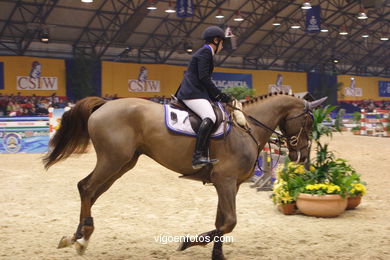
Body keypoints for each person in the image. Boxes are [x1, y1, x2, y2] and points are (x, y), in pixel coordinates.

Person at [175, 26, 232, 169]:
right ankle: (197, 157)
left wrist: (217, 96)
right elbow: (204, 78)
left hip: (196, 91)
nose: (223, 46)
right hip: (192, 92)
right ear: (216, 40)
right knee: (210, 117)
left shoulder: (207, 53)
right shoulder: (205, 53)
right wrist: (219, 95)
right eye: (222, 42)